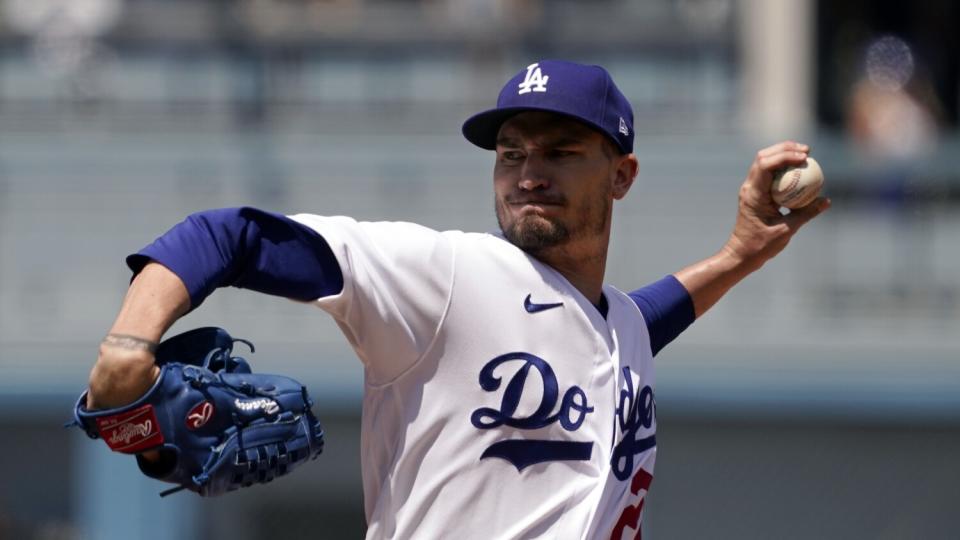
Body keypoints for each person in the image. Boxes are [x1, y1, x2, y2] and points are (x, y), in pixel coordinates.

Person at [85, 60, 830, 539]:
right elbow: (227, 236)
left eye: (561, 151)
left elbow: (636, 321)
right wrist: (126, 346)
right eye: (512, 153)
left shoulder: (617, 326)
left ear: (622, 175)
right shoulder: (446, 276)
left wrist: (738, 257)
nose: (528, 172)